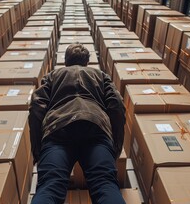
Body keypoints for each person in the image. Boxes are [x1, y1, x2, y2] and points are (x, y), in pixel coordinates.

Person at [28, 43, 126, 204]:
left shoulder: (53, 75)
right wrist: (115, 144)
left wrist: (38, 149)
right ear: (87, 62)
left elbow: (36, 108)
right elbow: (117, 105)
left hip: (58, 130)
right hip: (95, 128)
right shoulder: (100, 75)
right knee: (105, 184)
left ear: (65, 61)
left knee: (50, 185)